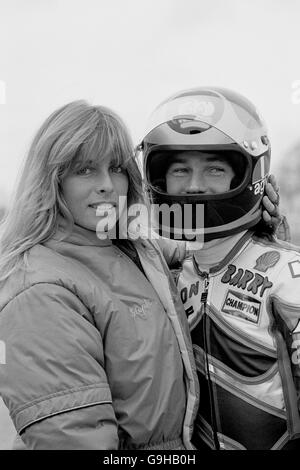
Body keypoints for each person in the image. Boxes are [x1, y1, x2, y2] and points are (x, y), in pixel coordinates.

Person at [0, 101, 199, 450]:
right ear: (53, 180)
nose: (108, 185)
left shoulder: (128, 248)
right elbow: (75, 440)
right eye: (86, 170)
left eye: (117, 168)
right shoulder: (40, 293)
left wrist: (257, 219)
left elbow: (206, 258)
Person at [141, 87, 300, 450]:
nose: (194, 186)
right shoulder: (162, 276)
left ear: (248, 174)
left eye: (214, 168)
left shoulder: (289, 277)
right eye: (180, 169)